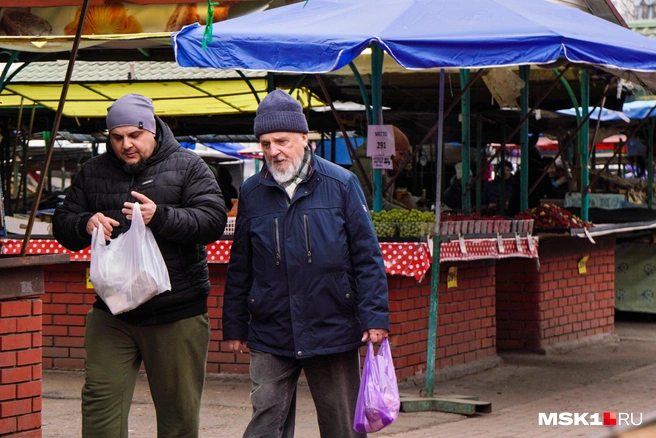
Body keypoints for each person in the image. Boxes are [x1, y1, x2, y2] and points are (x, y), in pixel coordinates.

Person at [52, 93, 227, 438]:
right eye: (116, 137)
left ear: (153, 131)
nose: (125, 145)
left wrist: (159, 216)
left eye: (134, 135)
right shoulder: (93, 172)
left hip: (175, 311)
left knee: (178, 413)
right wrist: (85, 223)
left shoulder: (188, 166)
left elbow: (212, 221)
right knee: (100, 402)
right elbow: (62, 222)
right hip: (112, 311)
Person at [223, 90, 390, 438]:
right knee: (265, 421)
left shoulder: (341, 184)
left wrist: (375, 317)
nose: (273, 151)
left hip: (331, 323)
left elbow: (367, 255)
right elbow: (240, 265)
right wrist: (235, 325)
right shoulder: (252, 192)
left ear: (303, 137)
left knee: (340, 423)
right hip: (271, 326)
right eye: (266, 143)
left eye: (281, 141)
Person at [350, 125, 416, 210]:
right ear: (391, 150)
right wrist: (403, 211)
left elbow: (386, 199)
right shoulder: (366, 166)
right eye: (401, 153)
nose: (402, 158)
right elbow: (371, 201)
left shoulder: (384, 167)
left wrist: (404, 209)